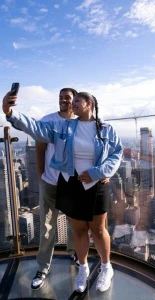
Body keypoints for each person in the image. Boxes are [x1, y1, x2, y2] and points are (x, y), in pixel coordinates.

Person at [2, 91, 123, 293]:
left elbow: (116, 153)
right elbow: (37, 129)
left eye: (77, 101)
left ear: (89, 103)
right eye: (72, 101)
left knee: (99, 230)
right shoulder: (65, 127)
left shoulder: (106, 128)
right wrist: (11, 112)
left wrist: (98, 172)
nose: (72, 104)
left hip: (96, 184)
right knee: (79, 231)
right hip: (70, 183)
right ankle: (83, 270)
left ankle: (105, 268)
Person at [32, 87, 79, 291]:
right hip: (50, 182)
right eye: (60, 98)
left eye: (67, 98)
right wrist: (42, 176)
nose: (63, 101)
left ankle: (74, 253)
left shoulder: (81, 122)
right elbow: (40, 149)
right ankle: (43, 268)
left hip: (72, 183)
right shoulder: (47, 120)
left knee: (74, 223)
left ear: (74, 100)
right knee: (47, 227)